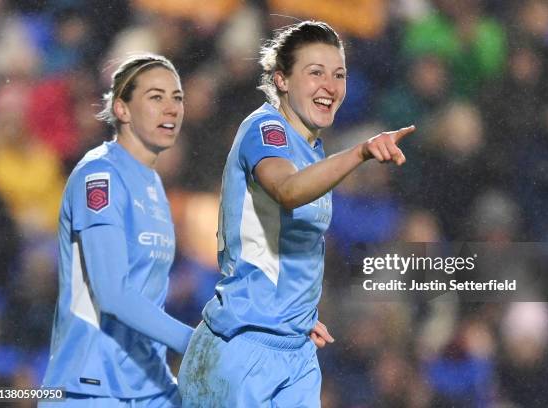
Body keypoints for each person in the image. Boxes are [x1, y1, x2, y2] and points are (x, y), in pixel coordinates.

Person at [178, 21, 415, 407]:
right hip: (242, 345)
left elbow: (288, 247)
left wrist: (296, 314)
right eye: (315, 73)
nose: (330, 86)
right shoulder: (265, 128)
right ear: (282, 80)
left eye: (338, 74)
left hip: (293, 349)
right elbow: (287, 191)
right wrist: (361, 152)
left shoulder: (313, 150)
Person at [41, 53, 193, 407]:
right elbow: (113, 294)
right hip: (91, 387)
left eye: (177, 97)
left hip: (146, 387)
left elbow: (148, 296)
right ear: (122, 110)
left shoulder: (154, 185)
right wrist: (196, 343)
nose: (171, 108)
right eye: (156, 97)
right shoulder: (101, 176)